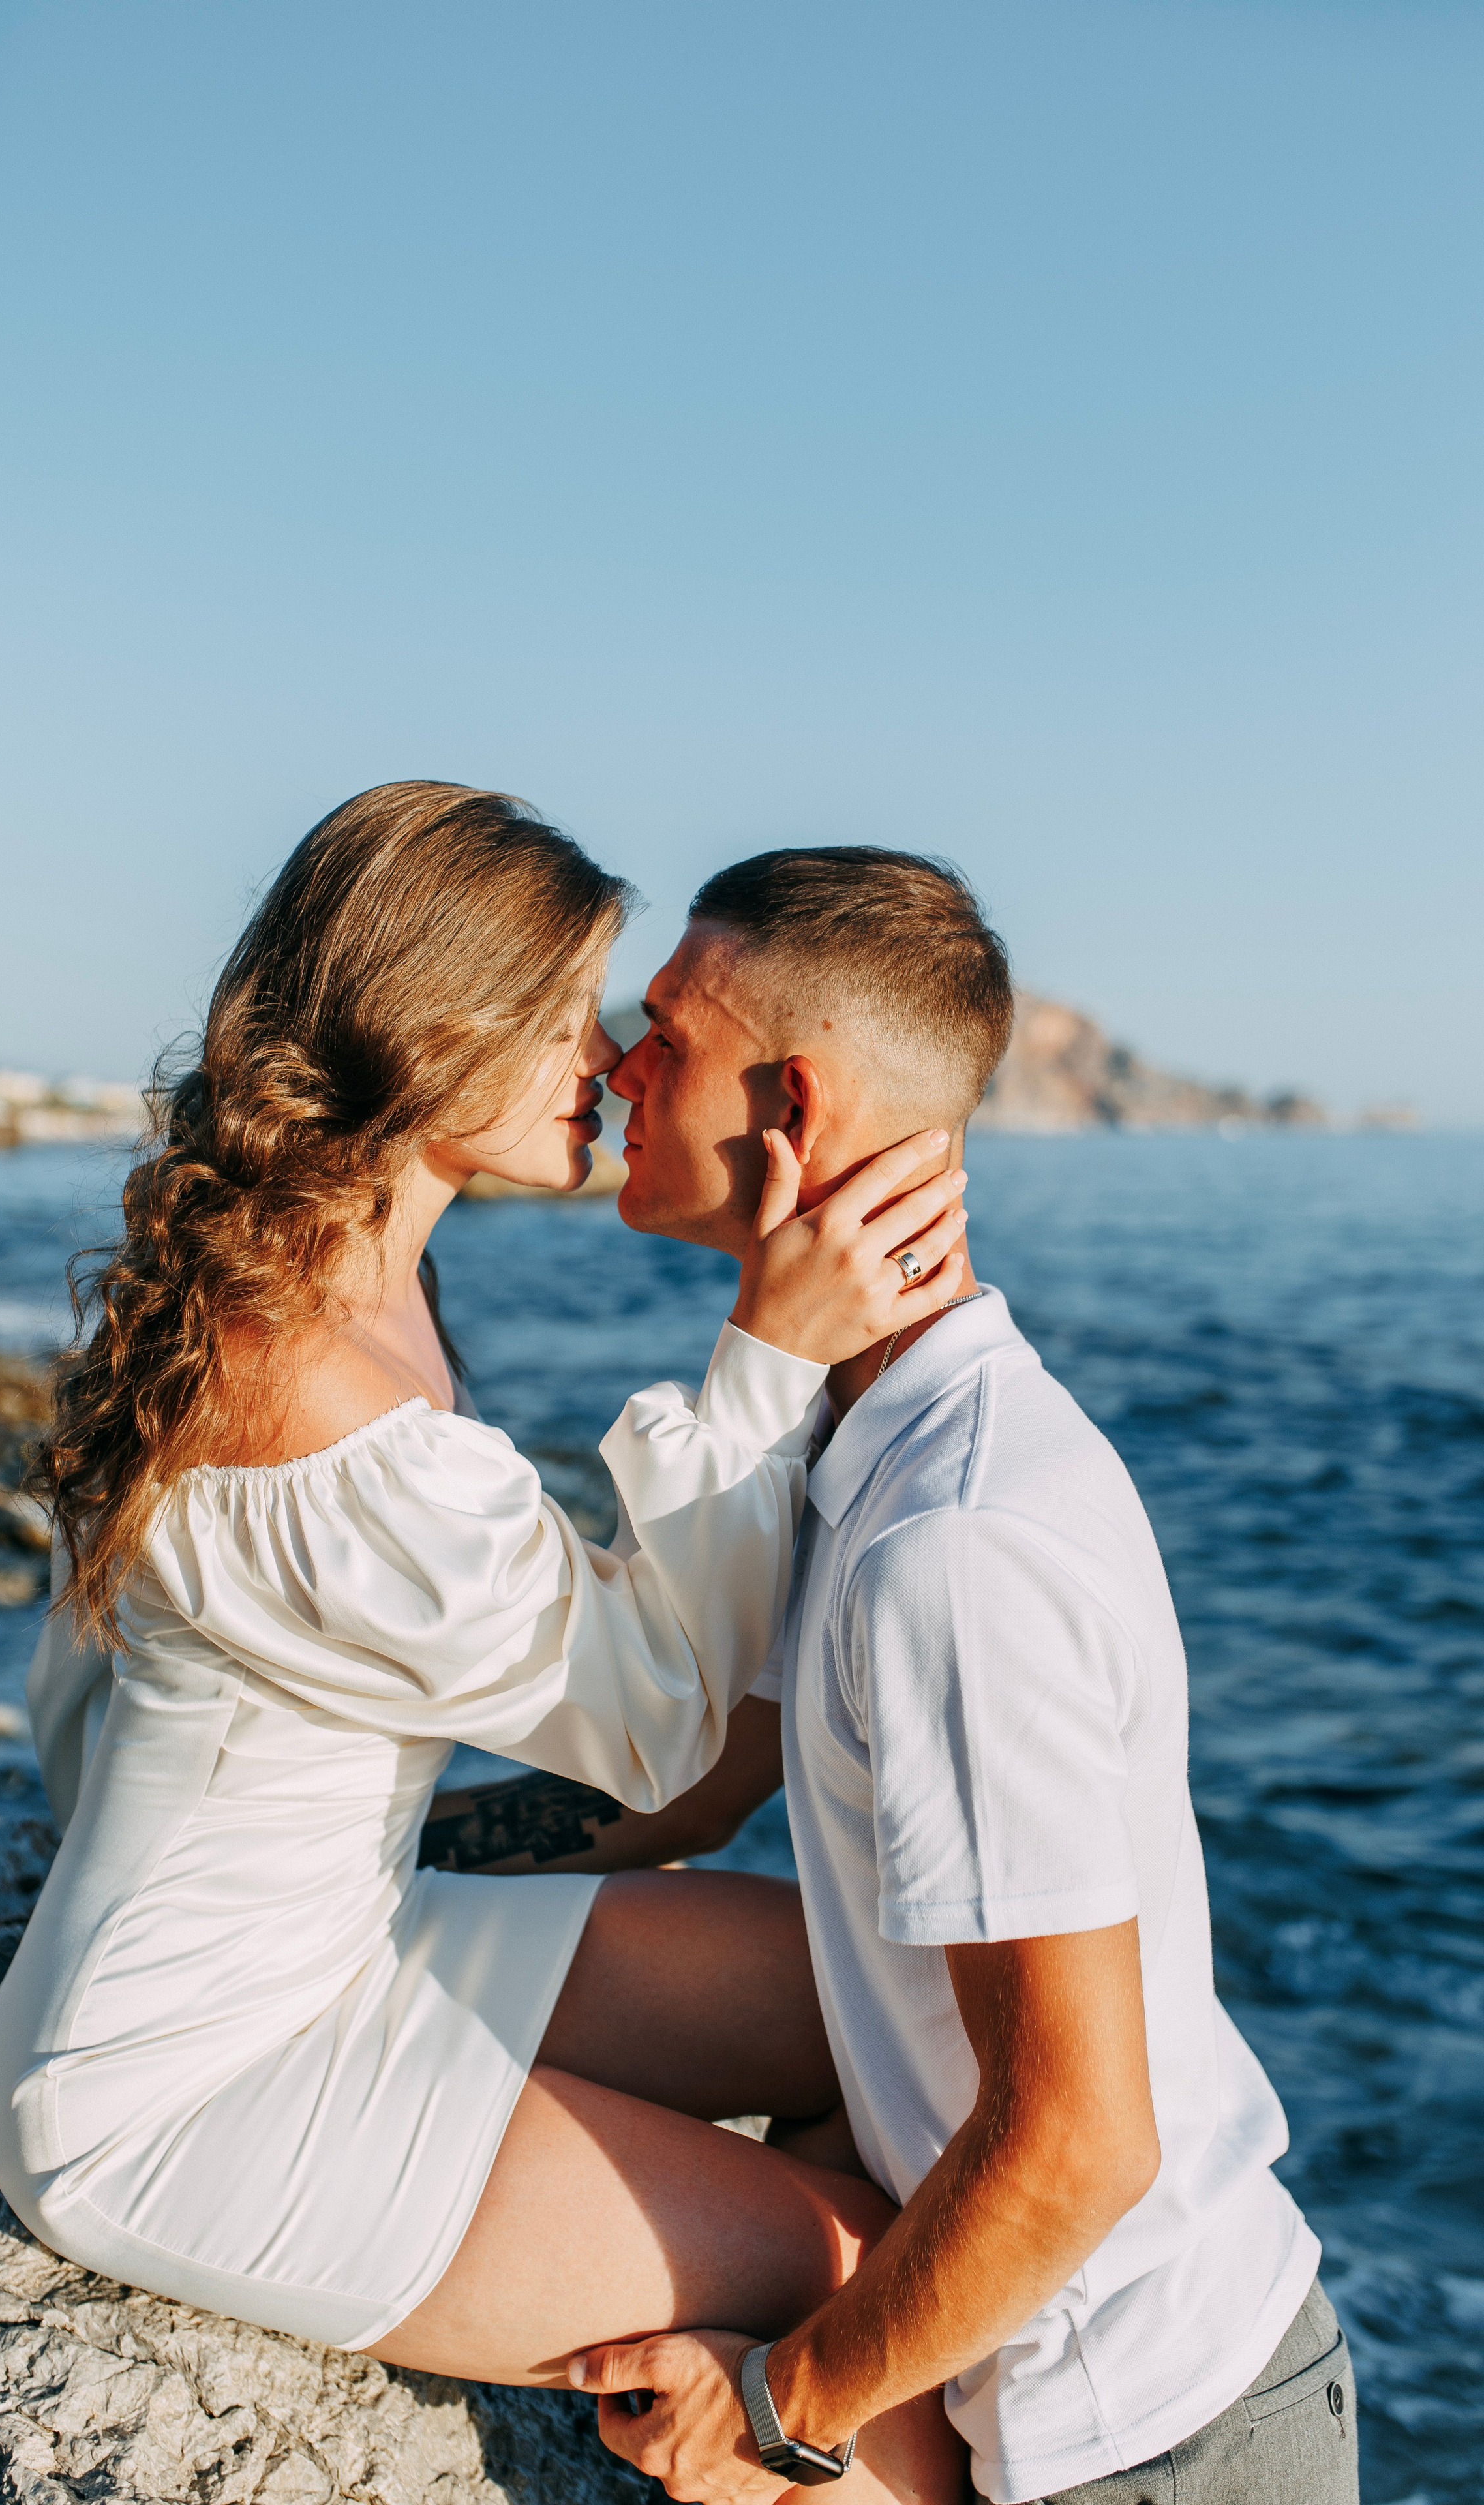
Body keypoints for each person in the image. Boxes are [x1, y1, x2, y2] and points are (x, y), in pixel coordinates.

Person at [0, 783, 976, 2505]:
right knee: (853, 2283)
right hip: (183, 2083)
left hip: (347, 1937)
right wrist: (770, 1357)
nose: (604, 1059)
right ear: (435, 1034)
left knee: (884, 2015)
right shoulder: (327, 1412)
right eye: (565, 1013)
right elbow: (661, 1733)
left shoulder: (336, 1275)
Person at [431, 847, 1357, 2504]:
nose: (618, 1071)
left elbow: (1079, 2145)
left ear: (791, 1104)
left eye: (663, 1033)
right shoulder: (861, 1438)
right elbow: (698, 1778)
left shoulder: (955, 1539)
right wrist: (379, 1862)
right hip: (1053, 2394)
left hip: (1154, 2442)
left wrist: (779, 2410)